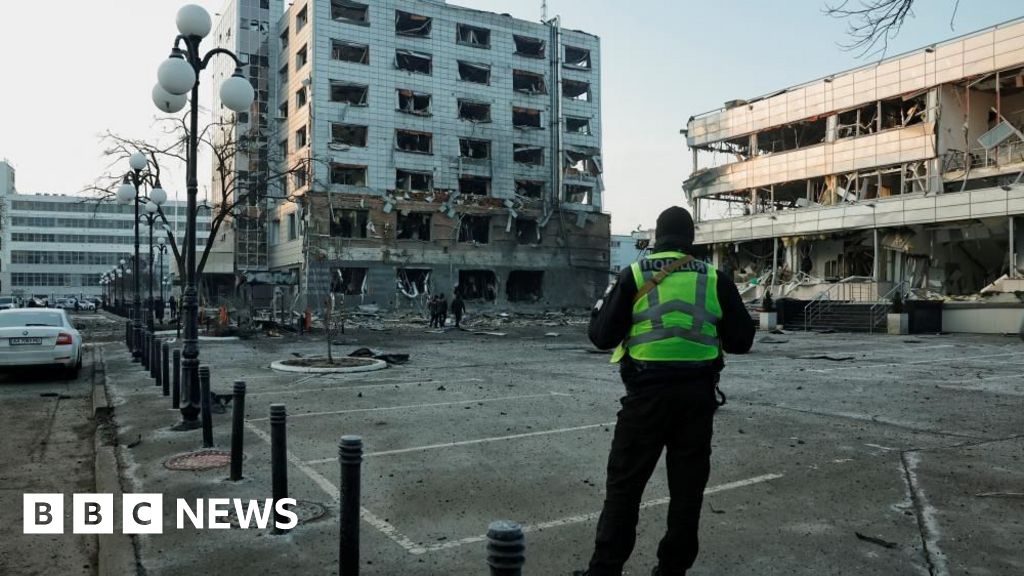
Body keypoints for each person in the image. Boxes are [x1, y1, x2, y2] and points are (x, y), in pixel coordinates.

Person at [575, 206, 755, 576]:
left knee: (624, 489)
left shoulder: (634, 274)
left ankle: (605, 570)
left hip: (645, 397)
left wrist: (599, 311)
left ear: (657, 237)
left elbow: (602, 337)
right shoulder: (714, 278)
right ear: (691, 238)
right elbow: (741, 341)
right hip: (696, 400)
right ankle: (672, 570)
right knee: (687, 493)